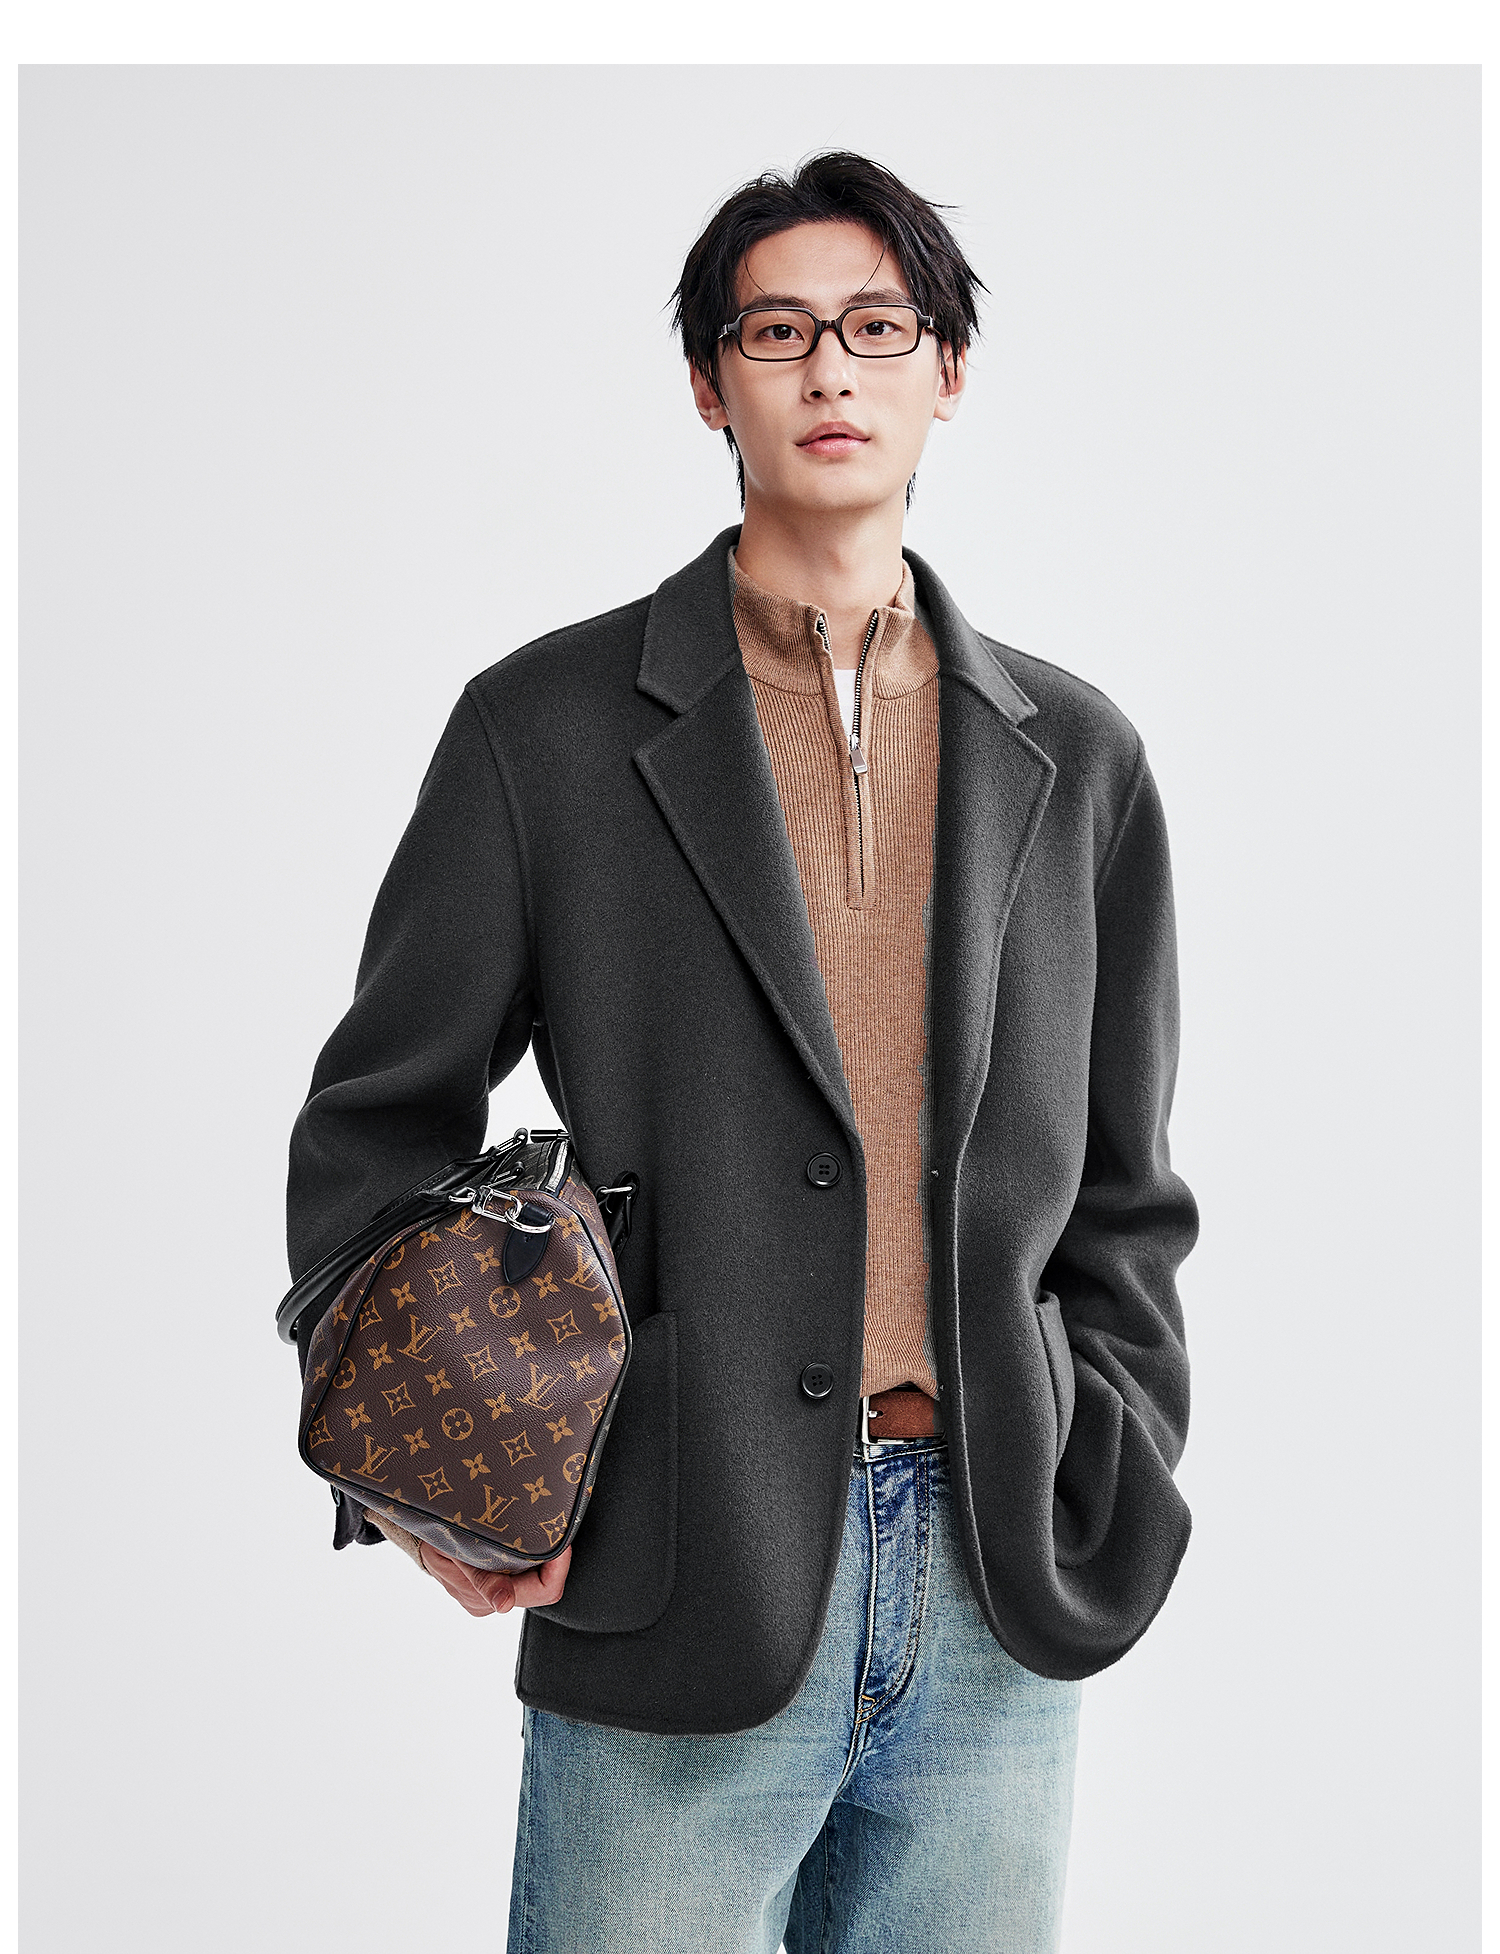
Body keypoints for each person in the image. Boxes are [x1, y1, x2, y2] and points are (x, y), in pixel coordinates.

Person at [286, 150, 1197, 1954]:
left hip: (998, 1590)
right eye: (778, 332)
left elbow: (1126, 1195)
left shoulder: (1080, 757)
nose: (831, 369)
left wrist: (1110, 1452)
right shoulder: (543, 729)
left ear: (950, 369)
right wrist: (424, 1474)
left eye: (878, 326)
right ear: (711, 384)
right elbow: (372, 1127)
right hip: (674, 1565)